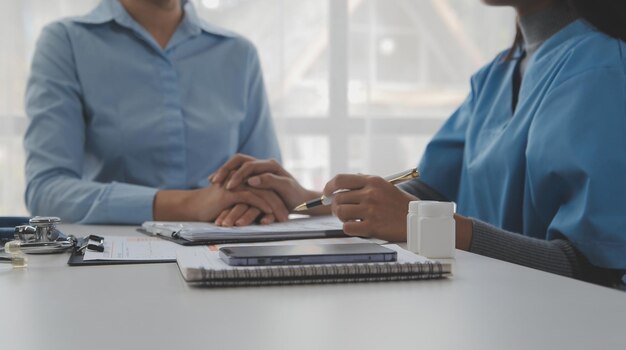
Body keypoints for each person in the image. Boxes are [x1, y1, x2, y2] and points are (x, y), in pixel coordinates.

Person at [210, 0, 626, 287]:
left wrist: (430, 224)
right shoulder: (496, 75)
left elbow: (593, 270)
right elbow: (429, 190)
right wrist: (315, 199)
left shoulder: (607, 71)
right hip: (496, 318)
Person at [24, 0, 289, 224]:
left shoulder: (238, 54)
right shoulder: (66, 43)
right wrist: (188, 204)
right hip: (113, 264)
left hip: (225, 254)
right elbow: (46, 192)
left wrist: (253, 202)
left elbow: (267, 184)